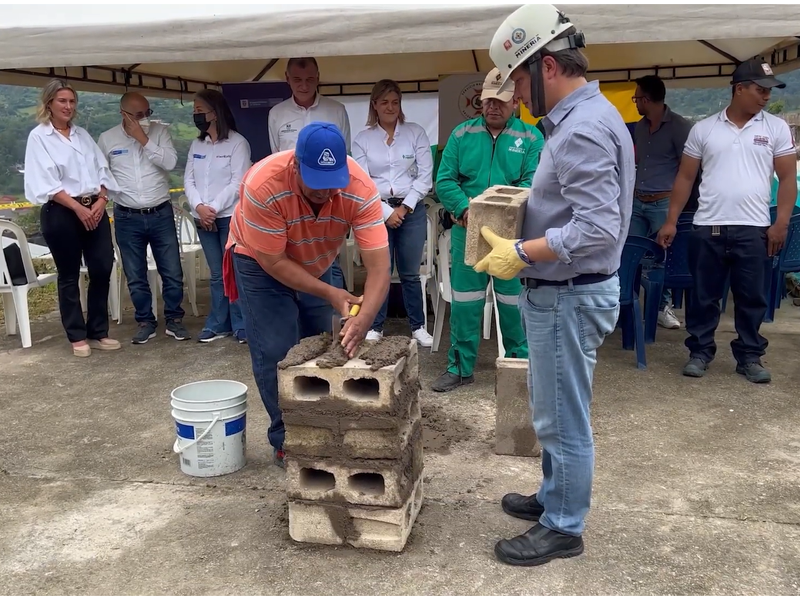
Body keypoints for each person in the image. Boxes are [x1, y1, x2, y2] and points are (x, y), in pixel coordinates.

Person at [478, 4, 634, 566]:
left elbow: (596, 227)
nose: (515, 93)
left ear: (546, 66)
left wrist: (519, 251)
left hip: (569, 293)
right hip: (563, 291)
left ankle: (564, 525)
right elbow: (577, 207)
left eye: (518, 79)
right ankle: (553, 496)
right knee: (552, 408)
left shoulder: (583, 129)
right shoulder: (579, 120)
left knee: (561, 416)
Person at [224, 122, 390, 469]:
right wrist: (330, 291)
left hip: (317, 259)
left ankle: (327, 428)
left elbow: (378, 269)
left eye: (333, 185)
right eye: (316, 185)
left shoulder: (359, 189)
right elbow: (275, 261)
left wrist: (364, 319)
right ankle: (287, 438)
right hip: (260, 262)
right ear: (295, 166)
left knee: (329, 344)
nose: (326, 194)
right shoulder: (262, 184)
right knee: (277, 350)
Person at [657, 58, 797, 384]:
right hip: (709, 225)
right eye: (760, 90)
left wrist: (782, 223)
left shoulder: (774, 128)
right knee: (704, 295)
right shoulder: (704, 129)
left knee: (752, 297)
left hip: (754, 227)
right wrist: (671, 221)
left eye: (768, 92)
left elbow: (788, 178)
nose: (765, 96)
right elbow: (685, 178)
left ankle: (749, 357)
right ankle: (700, 352)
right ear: (739, 89)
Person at [431, 67, 544, 393]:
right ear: (480, 101)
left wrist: (502, 215)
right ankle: (460, 368)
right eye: (488, 100)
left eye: (502, 101)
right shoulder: (461, 134)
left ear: (515, 103)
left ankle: (518, 369)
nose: (494, 106)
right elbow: (445, 179)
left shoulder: (531, 137)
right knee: (465, 303)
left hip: (511, 237)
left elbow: (531, 183)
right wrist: (465, 209)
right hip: (468, 232)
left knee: (512, 304)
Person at [23, 79, 122, 358]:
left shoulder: (82, 135)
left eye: (72, 101)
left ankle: (98, 330)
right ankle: (76, 335)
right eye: (62, 101)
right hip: (63, 212)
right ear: (49, 104)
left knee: (102, 266)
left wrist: (102, 201)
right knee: (68, 274)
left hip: (96, 208)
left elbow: (102, 170)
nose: (68, 106)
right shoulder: (39, 137)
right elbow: (47, 182)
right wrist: (78, 209)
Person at [98, 92, 191, 344]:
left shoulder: (159, 132)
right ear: (124, 114)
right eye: (138, 115)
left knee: (171, 270)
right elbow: (101, 174)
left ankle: (174, 319)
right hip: (127, 215)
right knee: (135, 273)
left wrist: (143, 139)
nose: (145, 119)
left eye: (147, 113)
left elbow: (171, 162)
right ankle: (145, 321)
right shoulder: (107, 139)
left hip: (160, 212)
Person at [352, 79, 434, 347]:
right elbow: (363, 181)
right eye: (384, 102)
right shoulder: (363, 139)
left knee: (410, 272)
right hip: (376, 210)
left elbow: (425, 177)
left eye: (395, 102)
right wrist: (386, 211)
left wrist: (405, 207)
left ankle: (418, 326)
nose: (390, 107)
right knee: (380, 271)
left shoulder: (415, 133)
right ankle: (375, 326)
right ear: (374, 105)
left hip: (411, 208)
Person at [268, 57, 352, 291]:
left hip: (327, 198)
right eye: (297, 80)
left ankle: (334, 317)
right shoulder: (277, 113)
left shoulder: (336, 110)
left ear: (318, 78)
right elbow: (276, 157)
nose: (304, 85)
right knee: (290, 256)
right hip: (291, 199)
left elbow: (345, 156)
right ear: (287, 79)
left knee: (328, 257)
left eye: (309, 79)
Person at [184, 89, 252, 344]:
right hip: (202, 218)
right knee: (215, 273)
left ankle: (241, 324)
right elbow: (188, 179)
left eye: (200, 110)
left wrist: (211, 208)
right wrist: (199, 206)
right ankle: (217, 324)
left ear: (216, 112)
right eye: (194, 111)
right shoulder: (197, 144)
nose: (196, 115)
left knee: (233, 272)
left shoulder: (237, 143)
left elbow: (238, 182)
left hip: (228, 217)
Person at [631, 75, 693, 330]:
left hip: (663, 202)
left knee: (662, 256)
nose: (635, 102)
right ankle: (628, 303)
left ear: (646, 99)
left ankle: (660, 307)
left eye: (636, 98)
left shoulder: (680, 127)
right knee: (630, 253)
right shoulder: (640, 127)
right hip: (637, 201)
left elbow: (689, 170)